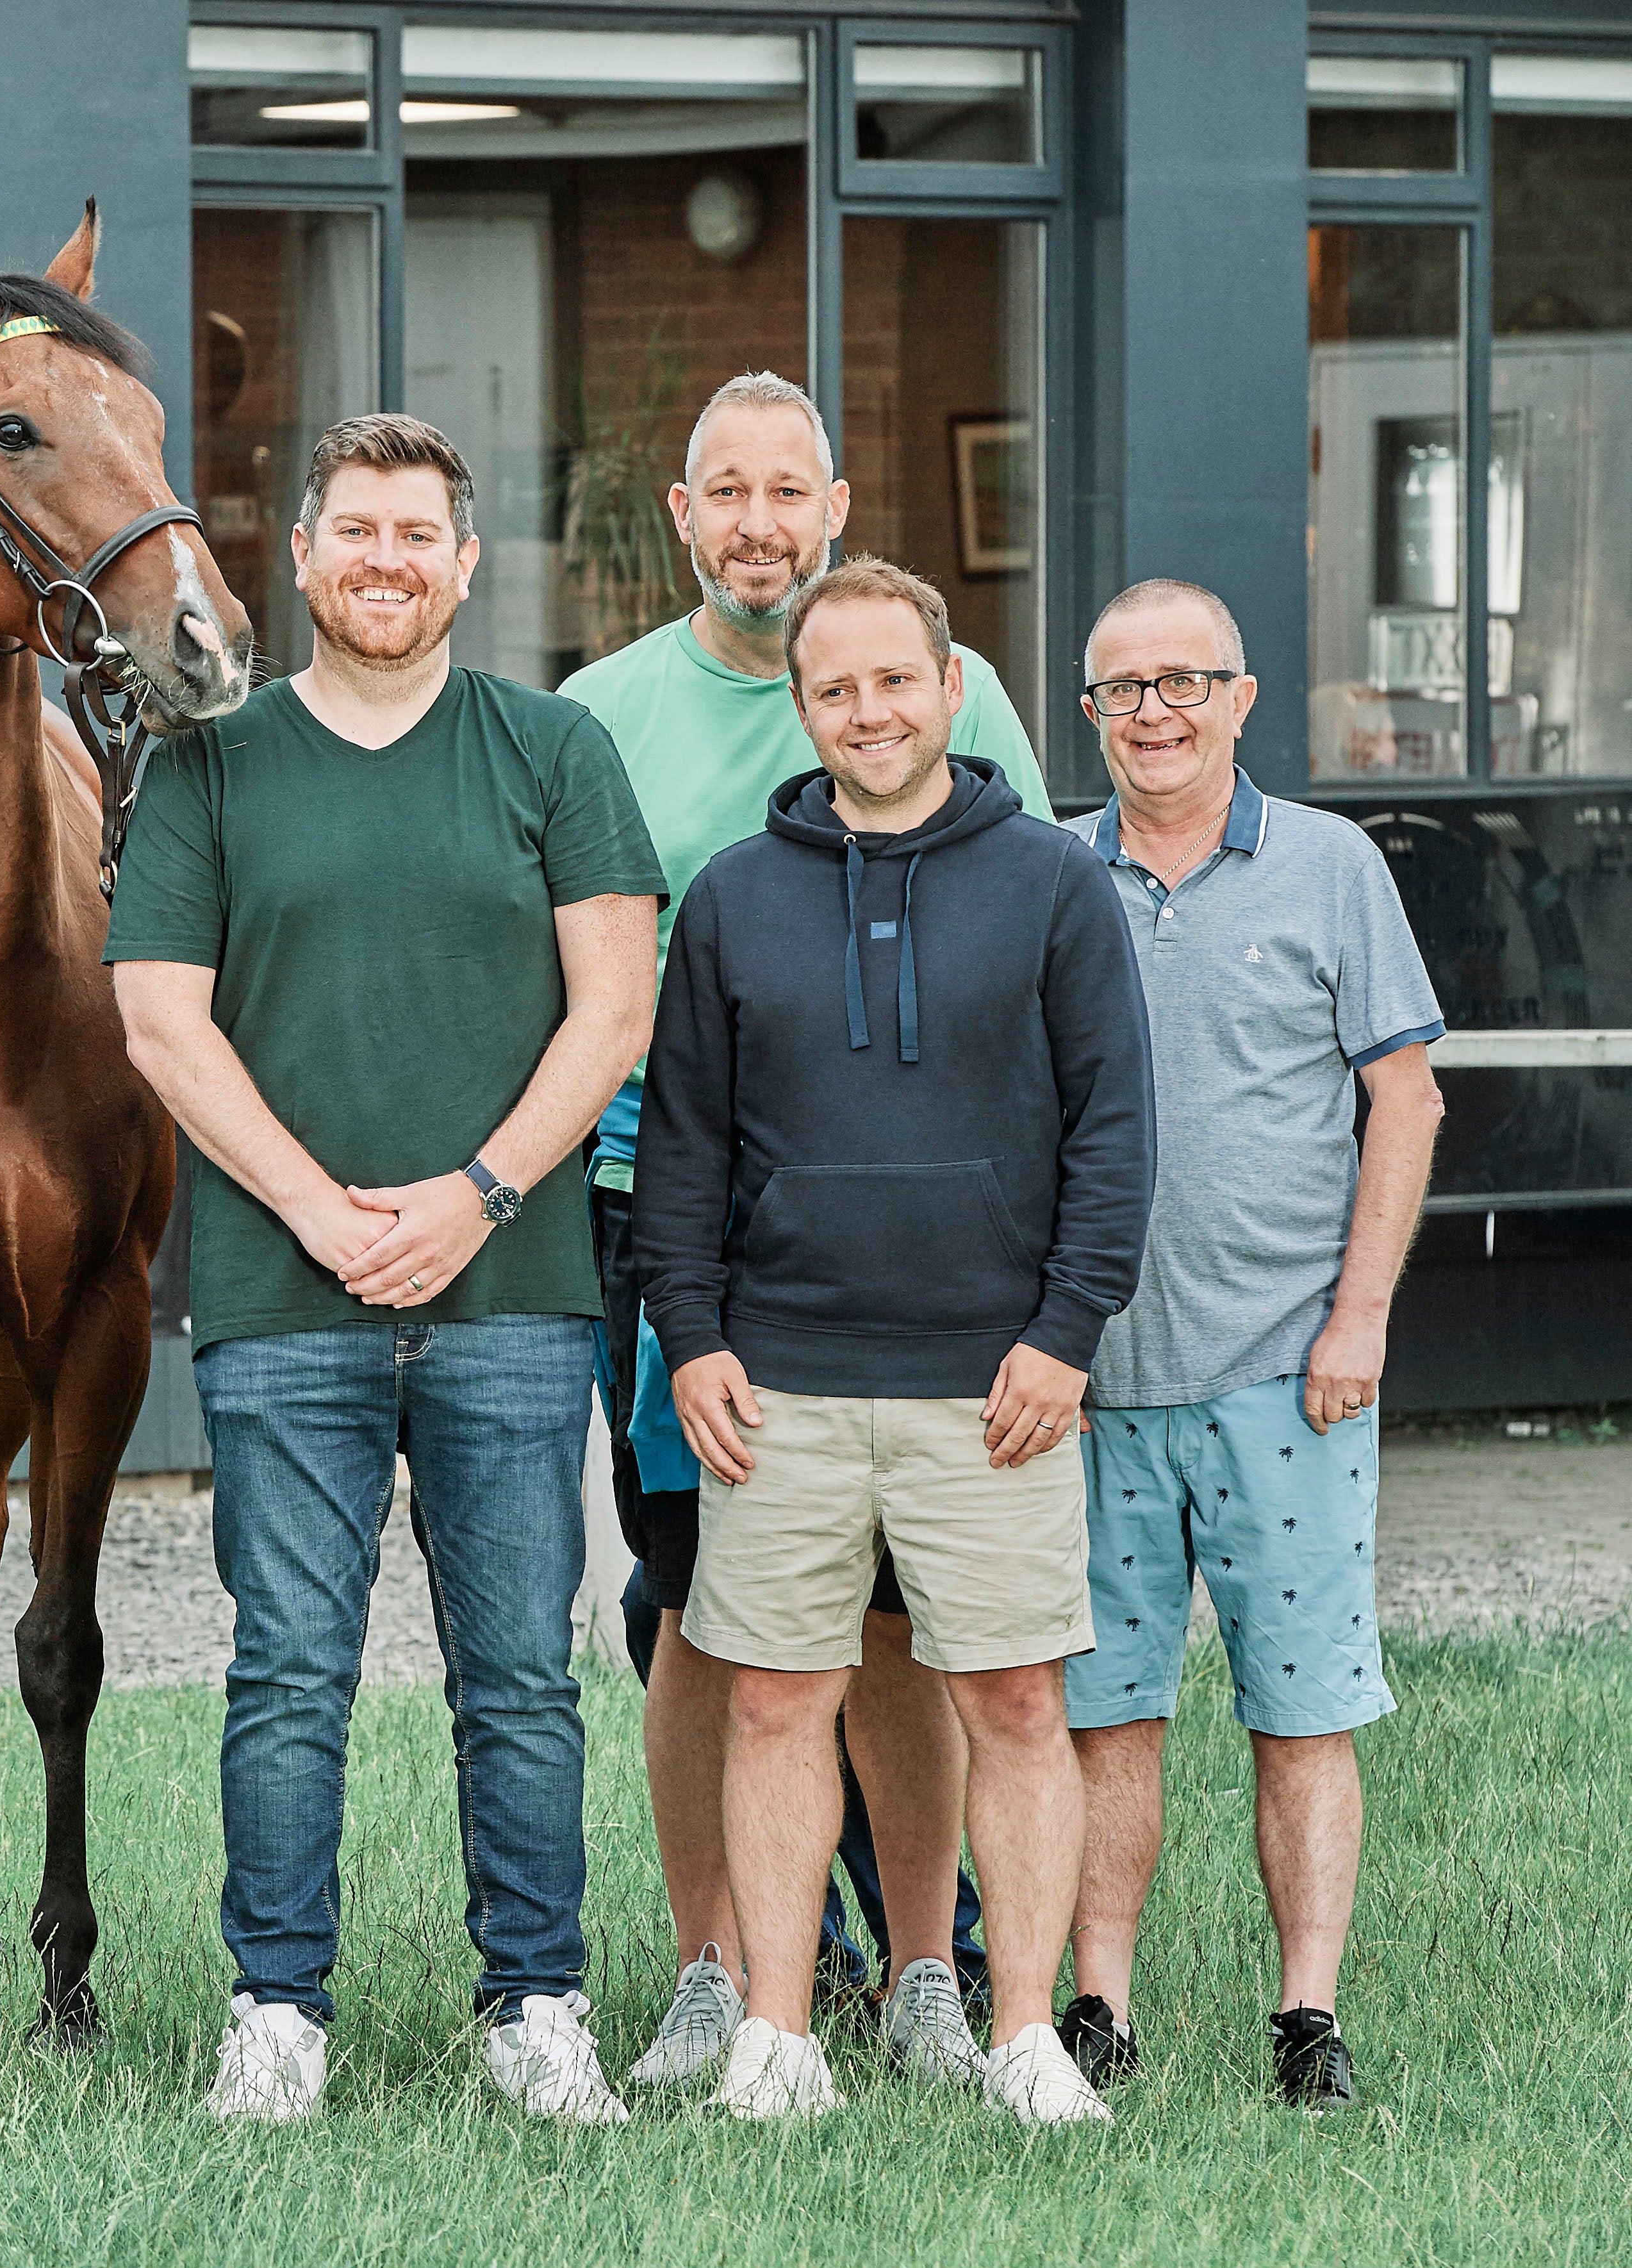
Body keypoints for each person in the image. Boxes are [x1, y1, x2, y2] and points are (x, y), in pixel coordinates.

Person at [110, 413, 666, 2125]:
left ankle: (536, 2003)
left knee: (515, 1669)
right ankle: (276, 2007)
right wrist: (323, 1209)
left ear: (464, 560)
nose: (385, 557)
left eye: (417, 531)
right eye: (356, 528)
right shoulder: (209, 762)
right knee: (288, 1667)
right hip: (285, 1305)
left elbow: (614, 1006)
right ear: (299, 551)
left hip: (511, 1292)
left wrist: (477, 1193)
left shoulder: (549, 750)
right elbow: (158, 1019)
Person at [559, 371, 1054, 2083]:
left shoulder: (949, 683)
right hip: (670, 1216)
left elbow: (1033, 956)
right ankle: (717, 1965)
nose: (757, 519)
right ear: (681, 516)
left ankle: (924, 1968)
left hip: (921, 1244)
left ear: (833, 505)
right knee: (700, 1606)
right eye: (725, 490)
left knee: (903, 1620)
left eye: (788, 489)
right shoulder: (599, 710)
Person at [636, 555, 1155, 2125]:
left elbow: (1113, 1131)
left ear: (948, 688)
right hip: (778, 1384)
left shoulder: (1054, 882)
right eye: (832, 688)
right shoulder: (732, 895)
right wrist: (694, 1341)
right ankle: (779, 2043)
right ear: (801, 712)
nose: (867, 710)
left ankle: (1019, 2041)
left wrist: (1066, 1334)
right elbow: (682, 1150)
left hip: (991, 1386)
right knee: (777, 1698)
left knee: (1009, 1703)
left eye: (891, 679)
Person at [1057, 580, 1444, 2111]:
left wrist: (1360, 1317)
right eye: (1122, 689)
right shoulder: (1045, 875)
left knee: (1301, 1708)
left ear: (1241, 695)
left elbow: (1401, 1101)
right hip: (1087, 1384)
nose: (1153, 710)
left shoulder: (1331, 867)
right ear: (1086, 714)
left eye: (1182, 682)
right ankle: (1097, 2009)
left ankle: (1306, 2022)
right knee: (1103, 1714)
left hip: (1290, 1369)